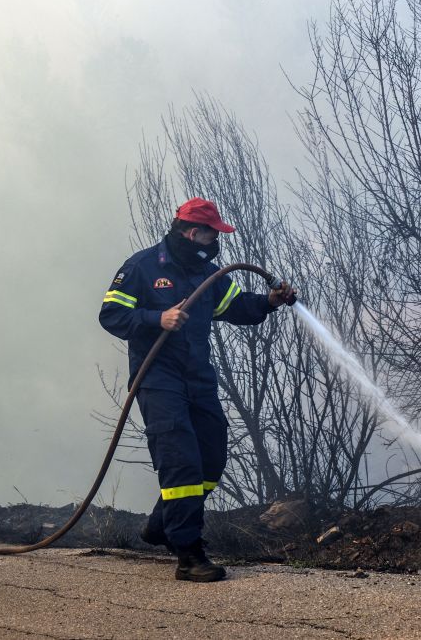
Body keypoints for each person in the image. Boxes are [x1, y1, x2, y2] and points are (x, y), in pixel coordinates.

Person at [99, 197, 295, 582]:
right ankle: (189, 555)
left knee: (210, 459)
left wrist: (269, 302)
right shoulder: (142, 267)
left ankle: (161, 526)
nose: (216, 241)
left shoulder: (208, 276)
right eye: (212, 233)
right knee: (181, 461)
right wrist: (158, 317)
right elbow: (111, 314)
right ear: (193, 233)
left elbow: (236, 307)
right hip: (158, 380)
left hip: (198, 379)